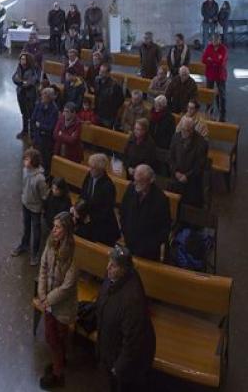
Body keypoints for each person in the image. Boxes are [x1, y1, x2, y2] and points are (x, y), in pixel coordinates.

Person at [96, 245, 156, 391]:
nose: (108, 267)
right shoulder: (112, 278)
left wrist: (118, 367)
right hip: (110, 348)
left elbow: (133, 341)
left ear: (124, 269)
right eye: (109, 262)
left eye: (114, 265)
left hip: (126, 364)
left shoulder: (132, 299)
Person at [37, 210, 77, 390]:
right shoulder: (51, 243)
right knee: (52, 337)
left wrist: (49, 299)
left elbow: (68, 286)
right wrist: (42, 293)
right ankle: (58, 362)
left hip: (62, 306)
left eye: (58, 227)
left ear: (67, 230)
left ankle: (57, 374)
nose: (54, 230)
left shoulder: (73, 253)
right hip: (49, 301)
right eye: (54, 226)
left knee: (56, 339)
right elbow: (43, 267)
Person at [119, 164, 171, 262]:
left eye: (140, 181)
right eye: (135, 180)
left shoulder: (160, 199)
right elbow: (123, 211)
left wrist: (149, 245)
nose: (136, 184)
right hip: (130, 241)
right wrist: (125, 232)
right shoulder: (131, 188)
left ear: (150, 181)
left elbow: (164, 228)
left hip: (148, 250)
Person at [12, 148, 48, 266]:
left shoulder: (40, 178)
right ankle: (24, 245)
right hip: (25, 203)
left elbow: (44, 195)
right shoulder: (25, 170)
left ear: (33, 161)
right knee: (26, 227)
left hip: (35, 208)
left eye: (27, 159)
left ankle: (35, 253)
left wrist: (43, 207)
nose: (24, 161)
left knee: (36, 230)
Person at [79, 154, 121, 246]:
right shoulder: (89, 176)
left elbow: (106, 210)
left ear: (101, 169)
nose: (90, 170)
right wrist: (77, 208)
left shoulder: (108, 186)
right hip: (89, 221)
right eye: (90, 167)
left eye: (93, 168)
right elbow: (83, 195)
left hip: (103, 227)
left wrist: (91, 218)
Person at [167, 116, 209, 207]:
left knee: (190, 208)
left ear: (192, 130)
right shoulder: (176, 137)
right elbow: (171, 157)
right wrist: (175, 172)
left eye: (186, 130)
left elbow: (200, 165)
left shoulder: (201, 143)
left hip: (192, 183)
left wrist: (187, 176)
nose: (183, 132)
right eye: (182, 129)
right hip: (176, 178)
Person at [30, 88, 59, 172]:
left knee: (44, 160)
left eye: (44, 95)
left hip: (46, 140)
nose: (42, 97)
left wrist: (40, 125)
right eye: (42, 95)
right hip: (37, 136)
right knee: (35, 156)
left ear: (49, 97)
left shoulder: (54, 110)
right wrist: (37, 128)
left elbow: (51, 127)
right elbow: (33, 119)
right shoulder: (39, 105)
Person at [13, 53, 39, 139]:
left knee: (31, 114)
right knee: (24, 113)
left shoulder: (33, 69)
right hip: (21, 93)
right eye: (21, 59)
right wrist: (21, 82)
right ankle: (24, 131)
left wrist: (23, 83)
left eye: (24, 59)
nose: (22, 61)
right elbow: (14, 77)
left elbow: (32, 81)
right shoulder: (19, 67)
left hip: (30, 94)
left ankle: (32, 133)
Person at [202, 32, 227, 120]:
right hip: (210, 74)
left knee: (221, 94)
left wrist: (211, 60)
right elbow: (204, 59)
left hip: (220, 74)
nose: (214, 41)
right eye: (212, 40)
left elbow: (221, 62)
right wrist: (215, 59)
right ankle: (209, 108)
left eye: (216, 40)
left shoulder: (223, 49)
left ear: (220, 40)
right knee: (209, 92)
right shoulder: (209, 47)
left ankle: (222, 111)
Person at [94, 65, 124, 129]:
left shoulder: (114, 85)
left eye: (103, 72)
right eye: (100, 71)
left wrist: (112, 108)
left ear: (108, 73)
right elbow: (96, 95)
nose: (100, 73)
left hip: (108, 115)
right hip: (98, 111)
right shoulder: (97, 80)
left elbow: (121, 99)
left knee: (106, 133)